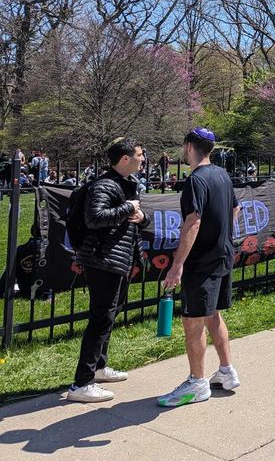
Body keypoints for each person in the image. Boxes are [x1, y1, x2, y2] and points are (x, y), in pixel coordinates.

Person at [158, 127, 241, 408]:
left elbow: (192, 222)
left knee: (193, 320)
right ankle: (227, 372)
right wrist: (223, 235)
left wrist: (177, 266)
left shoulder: (196, 180)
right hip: (222, 256)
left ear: (189, 147)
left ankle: (197, 383)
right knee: (212, 314)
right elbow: (235, 209)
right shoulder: (222, 174)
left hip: (202, 261)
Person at [68, 138, 146, 403]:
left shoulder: (126, 184)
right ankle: (82, 383)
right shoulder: (104, 185)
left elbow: (130, 221)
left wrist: (139, 216)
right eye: (139, 155)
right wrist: (128, 208)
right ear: (125, 159)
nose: (142, 159)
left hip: (118, 260)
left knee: (110, 315)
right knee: (100, 319)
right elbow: (94, 218)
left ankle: (99, 368)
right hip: (102, 261)